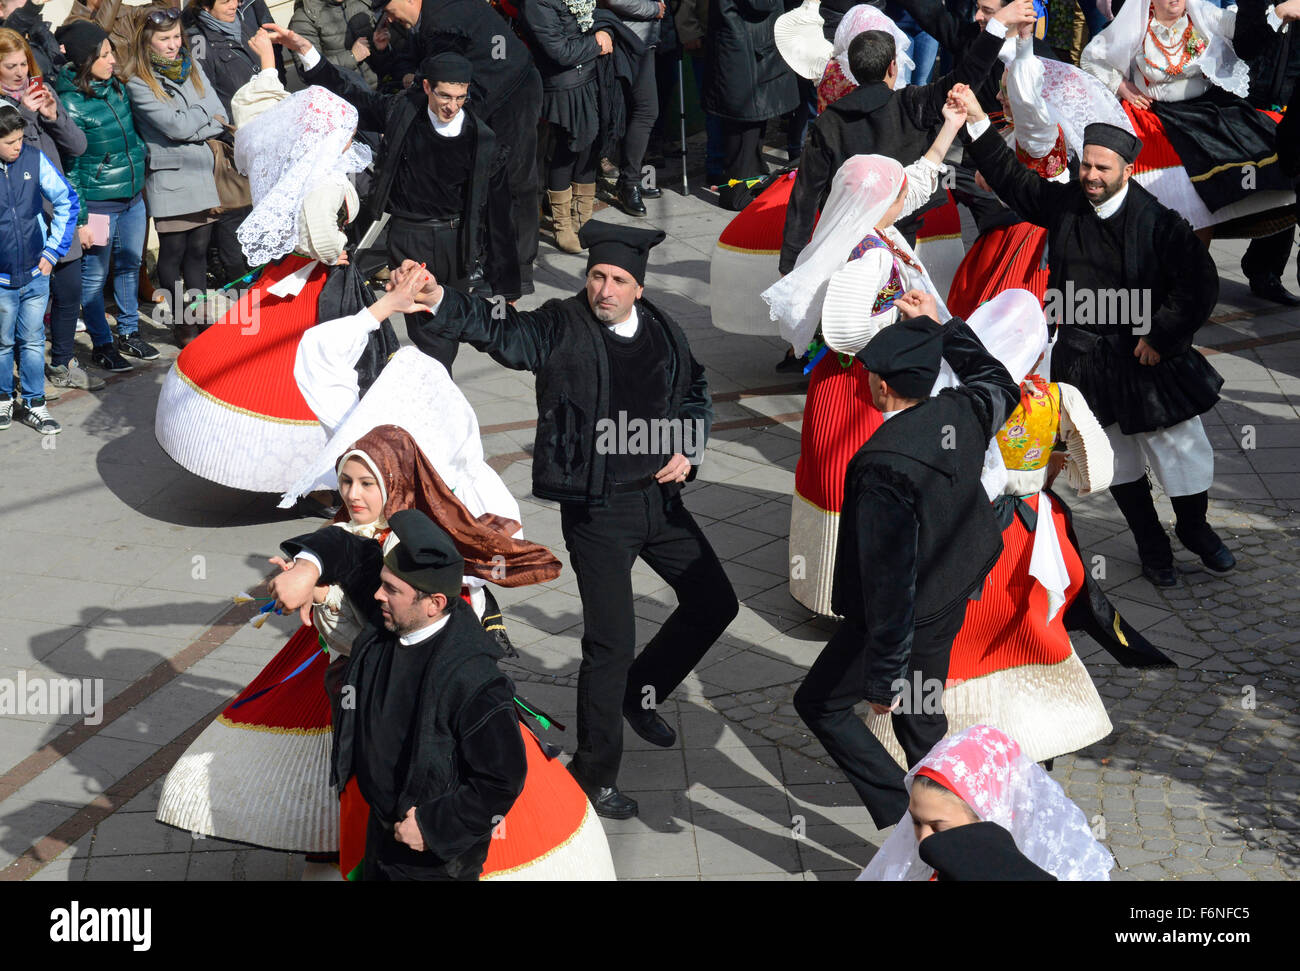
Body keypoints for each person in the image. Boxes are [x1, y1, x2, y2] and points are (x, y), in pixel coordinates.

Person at [390, 222, 740, 819]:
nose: (603, 289)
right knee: (611, 643)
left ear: (638, 288)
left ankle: (641, 691)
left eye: (618, 280)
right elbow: (503, 331)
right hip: (598, 511)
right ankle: (593, 774)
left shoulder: (662, 329)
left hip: (659, 503)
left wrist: (688, 446)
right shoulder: (561, 323)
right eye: (597, 276)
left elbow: (695, 390)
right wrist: (441, 300)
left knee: (715, 603)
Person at [866, 290, 1172, 770]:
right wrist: (1051, 468)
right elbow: (1096, 477)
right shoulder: (1054, 399)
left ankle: (949, 754)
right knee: (1029, 632)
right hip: (1033, 536)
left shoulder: (955, 402)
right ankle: (1034, 741)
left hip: (965, 536)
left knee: (954, 643)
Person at [960, 91, 1233, 588]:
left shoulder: (1157, 221)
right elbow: (1017, 184)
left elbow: (1199, 283)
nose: (1091, 176)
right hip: (1084, 358)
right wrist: (978, 124)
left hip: (1147, 357)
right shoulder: (1068, 203)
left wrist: (1161, 335)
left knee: (1180, 447)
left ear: (1128, 168)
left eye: (1102, 168)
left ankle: (1195, 529)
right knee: (1113, 455)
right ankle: (1152, 548)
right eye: (1085, 166)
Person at [793, 290, 1020, 829]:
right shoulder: (961, 412)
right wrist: (941, 327)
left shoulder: (882, 465)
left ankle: (906, 819)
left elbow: (889, 584)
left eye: (871, 375)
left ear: (885, 386)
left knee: (821, 704)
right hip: (953, 591)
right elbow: (999, 383)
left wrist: (881, 682)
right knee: (922, 721)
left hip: (909, 613)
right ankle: (951, 822)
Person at [762, 127, 965, 616]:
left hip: (840, 382)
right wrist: (903, 315)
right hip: (864, 388)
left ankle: (823, 588)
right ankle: (850, 597)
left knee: (831, 479)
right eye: (897, 195)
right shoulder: (869, 254)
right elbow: (847, 331)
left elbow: (911, 184)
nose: (907, 198)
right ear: (881, 203)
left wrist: (949, 129)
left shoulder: (861, 225)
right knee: (857, 481)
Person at [262, 508, 526, 881]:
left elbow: (502, 779)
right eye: (382, 581)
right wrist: (306, 571)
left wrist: (434, 826)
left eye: (390, 589)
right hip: (380, 829)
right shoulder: (397, 612)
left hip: (430, 859)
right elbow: (346, 547)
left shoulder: (475, 681)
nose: (376, 594)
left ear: (434, 603)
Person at [154, 62, 377, 493]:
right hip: (315, 281)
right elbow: (317, 226)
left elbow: (256, 115)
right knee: (311, 368)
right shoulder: (326, 175)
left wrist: (269, 70)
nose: (351, 139)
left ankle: (254, 456)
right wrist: (337, 252)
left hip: (284, 272)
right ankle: (316, 470)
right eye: (346, 130)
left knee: (251, 348)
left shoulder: (291, 158)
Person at [270, 22, 520, 374]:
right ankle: (434, 390)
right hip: (410, 237)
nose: (452, 106)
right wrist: (305, 50)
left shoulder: (484, 140)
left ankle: (433, 387)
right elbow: (352, 93)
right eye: (444, 96)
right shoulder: (403, 111)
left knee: (446, 323)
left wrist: (507, 283)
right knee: (429, 330)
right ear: (427, 88)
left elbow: (499, 215)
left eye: (460, 97)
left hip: (456, 241)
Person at [779, 0, 1033, 277]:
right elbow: (968, 74)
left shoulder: (828, 123)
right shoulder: (913, 105)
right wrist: (997, 26)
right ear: (893, 67)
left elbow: (804, 197)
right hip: (901, 235)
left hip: (844, 234)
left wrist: (791, 264)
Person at [1081, 0, 1294, 272]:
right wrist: (1122, 86)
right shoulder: (1136, 24)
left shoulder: (1202, 15)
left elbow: (1245, 33)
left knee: (1274, 144)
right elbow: (1092, 57)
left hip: (1204, 113)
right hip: (1157, 117)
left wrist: (1278, 13)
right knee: (1182, 192)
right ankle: (1172, 271)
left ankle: (1197, 273)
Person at [944, 19, 1133, 317]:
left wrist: (978, 113)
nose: (997, 97)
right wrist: (1023, 45)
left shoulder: (1039, 134)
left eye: (1003, 91)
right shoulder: (1020, 131)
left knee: (1014, 316)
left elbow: (1027, 100)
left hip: (1032, 236)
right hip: (1012, 225)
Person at [374, 0, 543, 295]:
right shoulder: (433, 17)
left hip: (513, 94)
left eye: (389, 8)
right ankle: (489, 261)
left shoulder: (442, 22)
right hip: (491, 92)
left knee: (515, 183)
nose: (388, 17)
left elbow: (449, 71)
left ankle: (518, 270)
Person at [859, 724, 1114, 880]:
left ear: (986, 814)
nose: (923, 840)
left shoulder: (1067, 867)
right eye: (915, 822)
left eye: (938, 826)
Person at [0, 26, 99, 394]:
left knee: (69, 290)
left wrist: (55, 115)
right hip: (19, 218)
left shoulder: (41, 90)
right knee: (18, 303)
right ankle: (18, 377)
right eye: (10, 66)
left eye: (23, 63)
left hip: (56, 212)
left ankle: (60, 361)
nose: (20, 73)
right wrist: (24, 116)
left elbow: (78, 146)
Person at [125, 5, 227, 347]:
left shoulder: (192, 65)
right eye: (164, 39)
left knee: (199, 251)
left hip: (201, 170)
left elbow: (219, 114)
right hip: (169, 177)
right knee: (173, 253)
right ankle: (182, 321)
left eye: (176, 36)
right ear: (147, 42)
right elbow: (176, 125)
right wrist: (198, 117)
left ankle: (197, 315)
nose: (173, 44)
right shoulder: (139, 83)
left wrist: (190, 120)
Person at [0, 101, 77, 436]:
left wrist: (52, 252)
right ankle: (3, 397)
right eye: (10, 142)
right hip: (2, 280)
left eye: (20, 139)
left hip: (35, 272)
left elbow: (66, 200)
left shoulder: (33, 157)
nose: (18, 146)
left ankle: (35, 403)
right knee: (2, 342)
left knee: (31, 340)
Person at [522, 0, 612, 251]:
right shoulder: (536, 4)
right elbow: (559, 51)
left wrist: (605, 31)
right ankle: (563, 226)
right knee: (568, 151)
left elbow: (599, 18)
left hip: (589, 76)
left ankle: (583, 220)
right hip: (563, 85)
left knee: (589, 150)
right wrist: (596, 42)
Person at [1233, 0, 1300, 303]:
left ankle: (1265, 269)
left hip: (1294, 103)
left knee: (1289, 187)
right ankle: (1261, 267)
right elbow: (1244, 46)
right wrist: (1279, 13)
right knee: (1274, 185)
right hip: (1259, 102)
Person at [703, 0, 800, 184]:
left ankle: (747, 182)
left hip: (743, 50)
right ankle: (738, 190)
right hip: (744, 54)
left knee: (749, 133)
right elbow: (760, 4)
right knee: (744, 135)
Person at [601, 0, 665, 215]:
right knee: (647, 110)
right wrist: (654, 9)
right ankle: (629, 184)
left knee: (633, 111)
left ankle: (630, 180)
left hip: (639, 39)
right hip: (629, 40)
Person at [288, 0, 381, 90]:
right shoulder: (304, 18)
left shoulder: (363, 2)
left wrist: (382, 48)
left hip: (384, 91)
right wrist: (352, 56)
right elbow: (310, 73)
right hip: (345, 99)